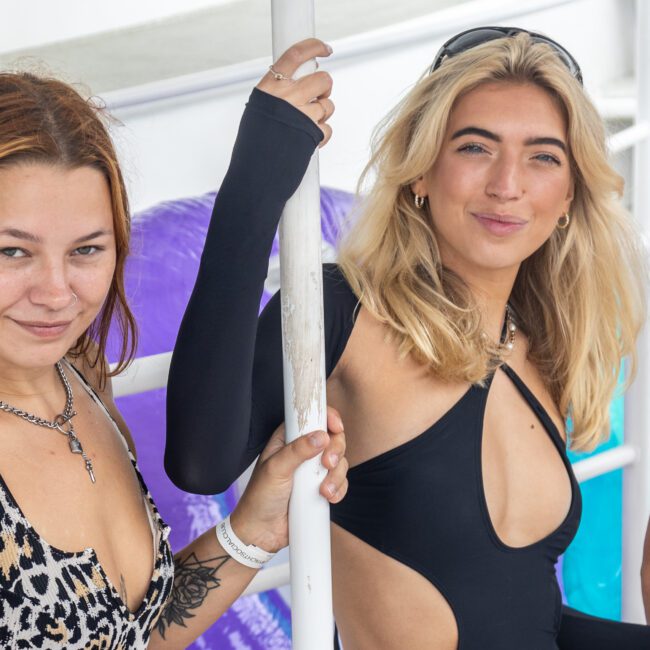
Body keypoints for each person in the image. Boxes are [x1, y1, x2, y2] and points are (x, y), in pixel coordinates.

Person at [166, 29, 650, 649]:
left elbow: (525, 614)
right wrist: (254, 186)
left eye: (543, 157)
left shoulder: (538, 344)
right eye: (476, 148)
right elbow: (200, 462)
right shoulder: (341, 311)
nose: (508, 184)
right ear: (421, 170)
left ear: (568, 198)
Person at [0, 71, 347, 649]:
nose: (56, 293)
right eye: (13, 251)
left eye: (86, 249)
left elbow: (131, 636)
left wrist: (251, 530)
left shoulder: (77, 374)